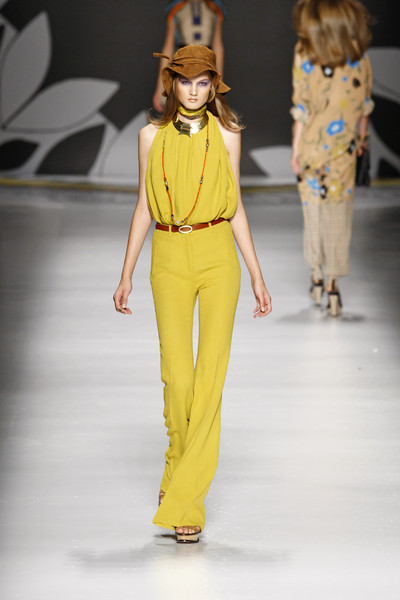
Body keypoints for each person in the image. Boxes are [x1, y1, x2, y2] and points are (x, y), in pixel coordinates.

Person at [113, 44, 271, 543]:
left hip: (218, 255)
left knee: (209, 379)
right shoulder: (148, 137)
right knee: (178, 378)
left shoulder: (228, 134)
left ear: (213, 87)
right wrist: (126, 273)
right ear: (172, 84)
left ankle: (187, 502)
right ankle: (176, 464)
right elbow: (144, 206)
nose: (195, 91)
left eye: (204, 83)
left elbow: (236, 205)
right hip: (168, 255)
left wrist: (257, 273)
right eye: (187, 81)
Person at [290, 0, 374, 316]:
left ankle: (316, 276)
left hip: (311, 147)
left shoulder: (305, 51)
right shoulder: (358, 54)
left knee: (314, 211)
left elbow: (302, 107)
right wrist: (362, 141)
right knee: (338, 213)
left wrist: (295, 148)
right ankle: (332, 287)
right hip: (344, 152)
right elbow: (364, 106)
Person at [153, 1, 225, 112]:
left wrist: (220, 83)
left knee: (207, 108)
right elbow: (168, 46)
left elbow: (218, 46)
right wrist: (160, 87)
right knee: (178, 107)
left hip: (206, 64)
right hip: (182, 64)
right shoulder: (176, 7)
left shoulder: (215, 7)